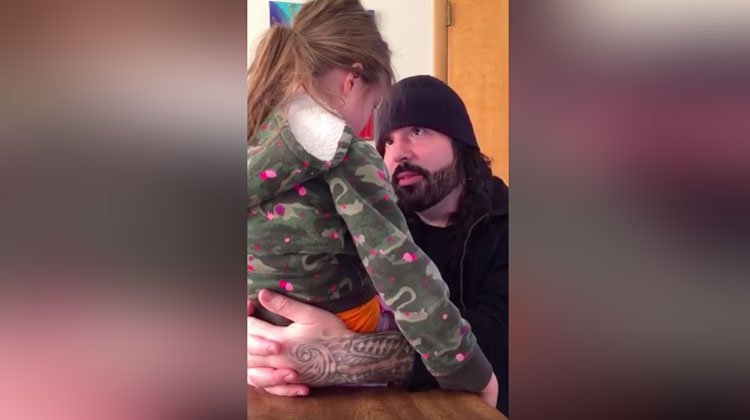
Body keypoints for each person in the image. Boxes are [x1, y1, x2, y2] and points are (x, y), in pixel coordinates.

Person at [247, 0, 497, 405]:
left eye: (418, 131)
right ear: (351, 81)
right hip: (290, 354)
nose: (397, 151)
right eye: (386, 137)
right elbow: (399, 268)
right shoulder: (346, 159)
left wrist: (326, 353)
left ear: (461, 142)